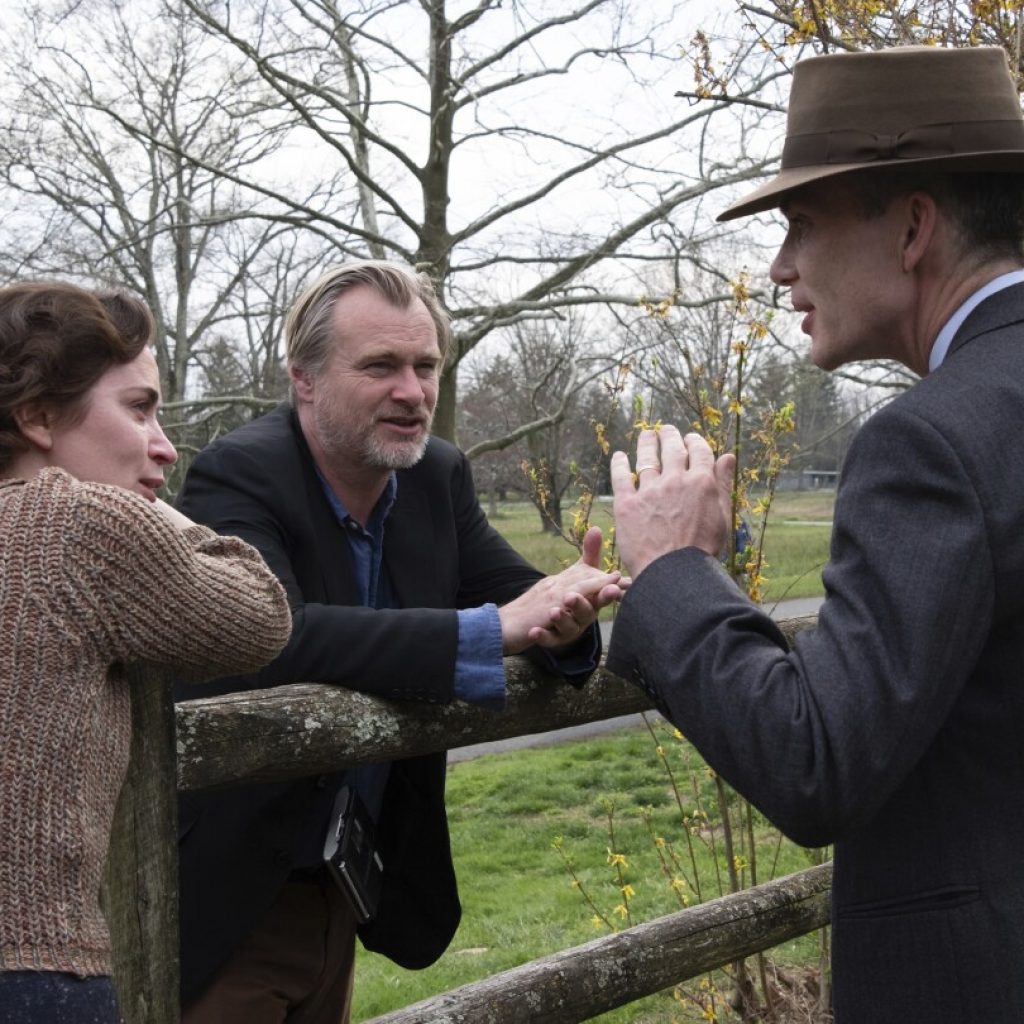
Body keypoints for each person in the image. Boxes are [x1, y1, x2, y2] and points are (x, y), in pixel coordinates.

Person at [607, 45, 1024, 1023]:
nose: (780, 265)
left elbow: (818, 759)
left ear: (914, 224)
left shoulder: (928, 443)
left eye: (800, 220)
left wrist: (672, 570)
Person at [175, 259, 626, 1023]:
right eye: (380, 366)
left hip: (346, 885)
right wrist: (489, 630)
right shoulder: (238, 475)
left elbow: (523, 600)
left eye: (426, 366)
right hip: (236, 889)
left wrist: (570, 614)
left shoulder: (436, 477)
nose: (412, 393)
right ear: (305, 379)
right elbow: (275, 634)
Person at [0, 282, 292, 1023]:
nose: (163, 443)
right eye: (138, 409)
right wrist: (151, 506)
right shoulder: (69, 521)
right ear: (35, 415)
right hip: (32, 972)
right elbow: (259, 616)